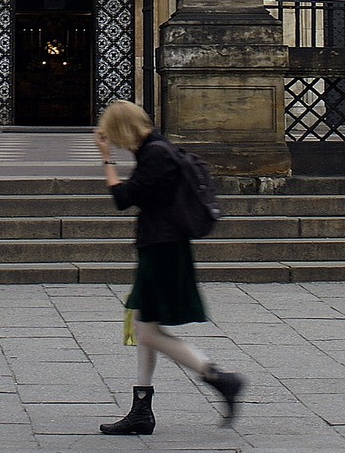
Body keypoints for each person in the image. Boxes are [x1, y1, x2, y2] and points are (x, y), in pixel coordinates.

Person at [95, 100, 244, 436]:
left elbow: (122, 197)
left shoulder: (156, 154)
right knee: (142, 325)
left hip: (163, 249)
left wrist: (106, 158)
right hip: (159, 246)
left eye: (116, 135)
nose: (116, 142)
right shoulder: (156, 148)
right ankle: (142, 411)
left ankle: (219, 378)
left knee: (147, 331)